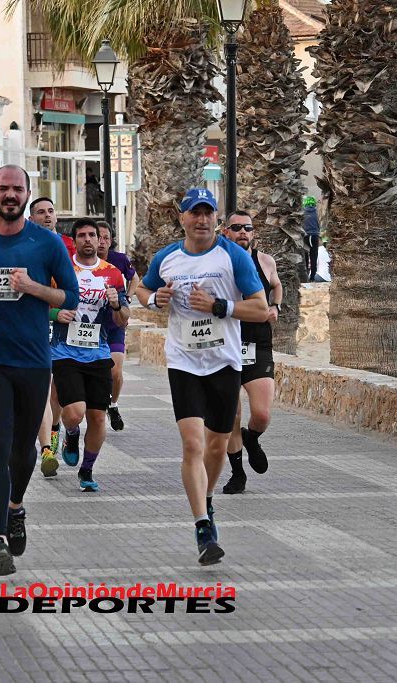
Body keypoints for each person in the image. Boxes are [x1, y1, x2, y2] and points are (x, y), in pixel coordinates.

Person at [0, 165, 78, 576]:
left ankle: (16, 506)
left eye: (16, 189)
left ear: (26, 194)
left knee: (23, 451)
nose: (10, 195)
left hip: (34, 362)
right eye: (3, 188)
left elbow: (68, 295)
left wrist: (34, 288)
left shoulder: (48, 243)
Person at [136, 188, 267, 566]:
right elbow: (141, 288)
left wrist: (218, 306)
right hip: (184, 362)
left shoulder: (234, 256)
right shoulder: (168, 257)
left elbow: (260, 309)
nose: (202, 220)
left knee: (216, 446)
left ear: (217, 221)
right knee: (192, 445)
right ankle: (202, 526)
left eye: (208, 213)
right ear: (182, 218)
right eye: (195, 213)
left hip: (224, 363)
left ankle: (205, 500)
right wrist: (153, 299)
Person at [50, 218, 130, 492]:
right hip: (64, 351)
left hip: (98, 352)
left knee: (97, 417)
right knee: (74, 413)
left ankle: (87, 470)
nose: (87, 239)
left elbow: (123, 320)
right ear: (74, 240)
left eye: (92, 235)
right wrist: (56, 313)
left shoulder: (112, 274)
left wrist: (117, 304)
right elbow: (38, 306)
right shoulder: (62, 271)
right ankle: (70, 434)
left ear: (100, 240)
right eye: (81, 235)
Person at [219, 211, 281, 494]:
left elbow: (277, 285)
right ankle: (237, 473)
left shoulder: (265, 261)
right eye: (236, 228)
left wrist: (276, 306)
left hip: (258, 345)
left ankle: (252, 438)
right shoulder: (218, 263)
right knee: (231, 415)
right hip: (226, 346)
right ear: (225, 232)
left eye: (248, 228)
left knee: (262, 413)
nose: (243, 232)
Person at [29, 196, 74, 474]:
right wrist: (52, 313)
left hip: (70, 327)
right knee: (43, 388)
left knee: (58, 391)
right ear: (31, 218)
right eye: (40, 212)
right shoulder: (27, 247)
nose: (47, 216)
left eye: (50, 211)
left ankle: (57, 429)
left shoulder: (69, 246)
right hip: (39, 324)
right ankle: (46, 448)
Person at [96, 220, 138, 432]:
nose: (101, 242)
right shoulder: (80, 262)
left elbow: (135, 278)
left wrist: (127, 299)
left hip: (114, 324)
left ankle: (113, 404)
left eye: (106, 238)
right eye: (98, 237)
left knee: (115, 370)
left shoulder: (119, 260)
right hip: (91, 327)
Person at [302, 196, 321, 281]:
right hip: (315, 236)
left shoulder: (302, 212)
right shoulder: (317, 212)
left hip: (305, 236)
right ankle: (312, 277)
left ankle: (305, 276)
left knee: (305, 256)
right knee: (314, 256)